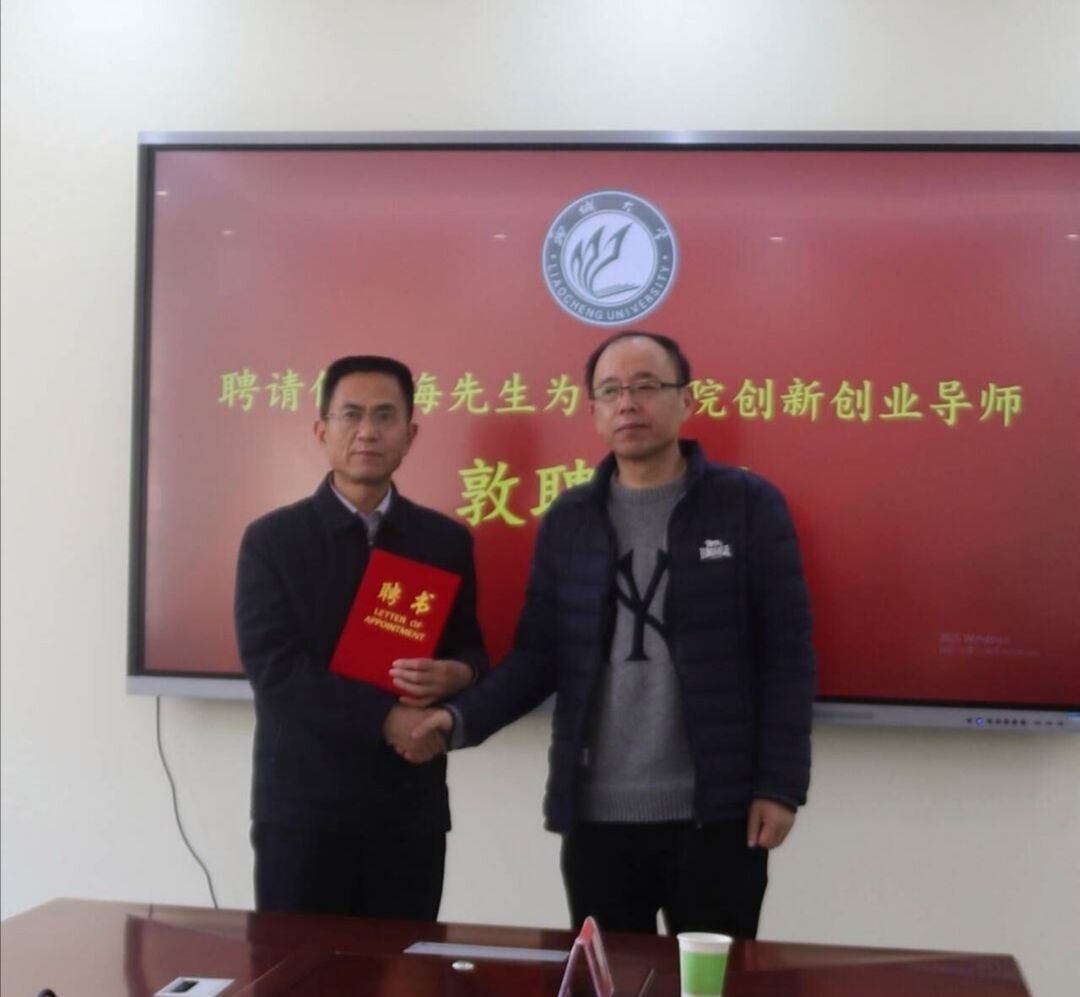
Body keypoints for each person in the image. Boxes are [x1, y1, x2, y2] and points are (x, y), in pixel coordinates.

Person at [404, 331, 815, 938]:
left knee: (712, 980)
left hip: (718, 814)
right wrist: (458, 718)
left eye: (646, 386)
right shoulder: (570, 520)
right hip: (597, 816)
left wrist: (779, 787)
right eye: (611, 391)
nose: (629, 403)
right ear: (594, 410)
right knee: (608, 979)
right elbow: (538, 656)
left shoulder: (747, 506)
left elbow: (787, 657)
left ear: (686, 400)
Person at [235, 354, 487, 919]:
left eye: (385, 416)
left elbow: (472, 650)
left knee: (404, 962)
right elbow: (273, 668)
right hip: (303, 809)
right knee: (298, 965)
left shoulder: (444, 542)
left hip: (408, 808)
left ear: (410, 434)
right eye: (351, 415)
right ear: (321, 430)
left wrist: (460, 673)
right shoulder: (273, 540)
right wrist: (384, 718)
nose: (368, 432)